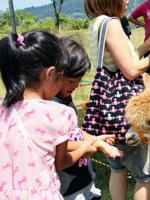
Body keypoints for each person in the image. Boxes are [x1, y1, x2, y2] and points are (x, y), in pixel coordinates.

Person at [83, 0, 150, 200]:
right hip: (127, 112)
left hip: (110, 111)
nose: (127, 0)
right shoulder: (112, 23)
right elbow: (130, 71)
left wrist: (146, 46)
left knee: (118, 169)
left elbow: (119, 64)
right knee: (144, 176)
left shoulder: (95, 24)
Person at [0, 30, 98, 199]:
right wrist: (86, 147)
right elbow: (61, 162)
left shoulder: (3, 109)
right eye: (61, 77)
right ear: (50, 74)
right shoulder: (60, 113)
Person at [54, 38, 123, 200]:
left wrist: (95, 138)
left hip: (83, 177)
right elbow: (58, 145)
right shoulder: (51, 106)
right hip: (66, 186)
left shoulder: (65, 98)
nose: (76, 86)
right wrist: (91, 144)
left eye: (78, 81)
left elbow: (74, 132)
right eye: (71, 81)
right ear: (54, 74)